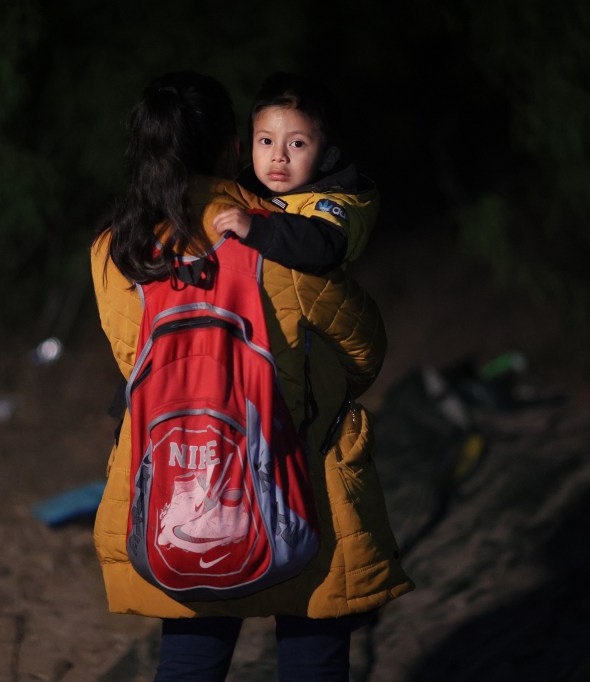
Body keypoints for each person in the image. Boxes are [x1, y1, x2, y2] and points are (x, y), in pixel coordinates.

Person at [89, 70, 412, 681]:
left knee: (189, 656)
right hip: (299, 474)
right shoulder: (280, 235)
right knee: (312, 650)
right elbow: (364, 348)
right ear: (236, 149)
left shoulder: (118, 247)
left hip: (179, 485)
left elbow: (134, 361)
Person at [211, 71, 379, 275]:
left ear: (327, 157)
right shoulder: (241, 187)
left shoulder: (333, 203)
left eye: (297, 144)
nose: (278, 155)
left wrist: (258, 230)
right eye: (266, 141)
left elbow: (321, 250)